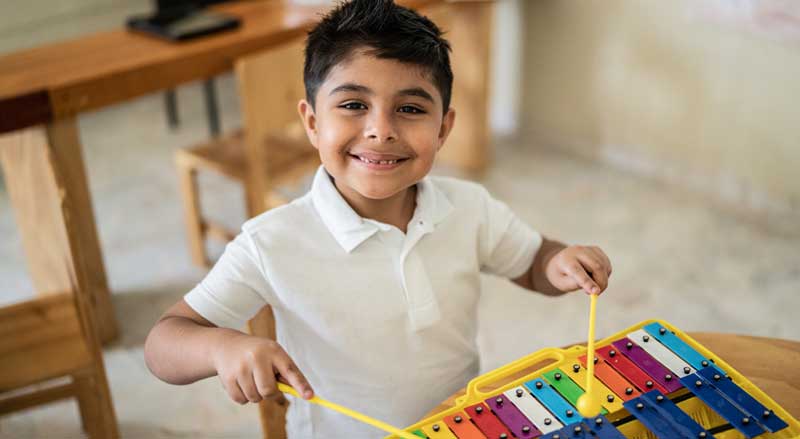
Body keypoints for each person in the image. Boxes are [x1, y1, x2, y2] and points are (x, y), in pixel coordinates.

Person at [144, 0, 613, 437]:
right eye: (353, 105)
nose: (380, 130)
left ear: (444, 128)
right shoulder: (270, 242)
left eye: (410, 109)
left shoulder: (471, 208)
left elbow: (533, 261)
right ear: (311, 123)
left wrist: (561, 261)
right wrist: (222, 347)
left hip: (456, 425)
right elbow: (164, 343)